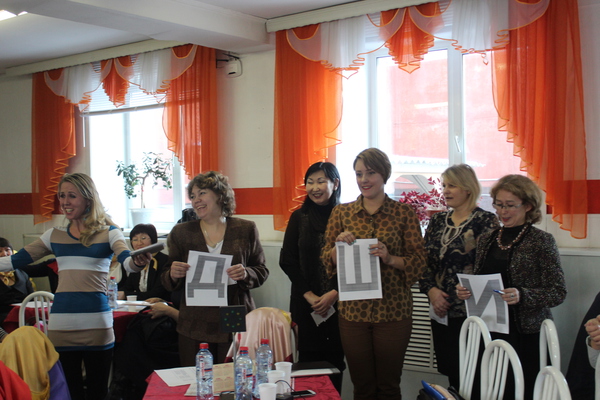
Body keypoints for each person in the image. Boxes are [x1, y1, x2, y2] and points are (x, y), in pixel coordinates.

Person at [0, 172, 152, 400]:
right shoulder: (53, 235)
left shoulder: (110, 233)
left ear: (88, 199)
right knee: (69, 393)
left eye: (72, 195)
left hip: (97, 325)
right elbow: (15, 260)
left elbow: (128, 262)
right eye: (62, 196)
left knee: (98, 392)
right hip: (62, 326)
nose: (65, 202)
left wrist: (138, 261)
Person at [321, 148, 426, 400]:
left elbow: (420, 262)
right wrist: (338, 247)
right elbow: (326, 258)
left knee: (389, 386)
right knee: (362, 386)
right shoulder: (342, 213)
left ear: (384, 174)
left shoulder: (403, 214)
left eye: (370, 173)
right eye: (359, 174)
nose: (364, 180)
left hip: (393, 311)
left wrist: (390, 259)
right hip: (353, 313)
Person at [456, 174, 566, 399]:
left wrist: (522, 295)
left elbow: (557, 291)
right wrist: (467, 291)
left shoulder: (542, 241)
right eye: (498, 204)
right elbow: (481, 279)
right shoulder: (487, 239)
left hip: (526, 334)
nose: (502, 212)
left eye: (509, 205)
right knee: (488, 390)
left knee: (522, 391)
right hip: (490, 328)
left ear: (528, 206)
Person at [162, 171, 269, 366]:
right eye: (192, 196)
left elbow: (261, 270)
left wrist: (246, 273)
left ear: (220, 195)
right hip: (194, 318)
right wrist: (173, 273)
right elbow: (166, 277)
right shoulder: (182, 232)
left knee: (233, 375)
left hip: (233, 313)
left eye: (202, 193)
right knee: (197, 375)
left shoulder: (245, 229)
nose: (196, 200)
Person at [418, 164, 499, 390]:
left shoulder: (485, 221)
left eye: (452, 185)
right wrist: (432, 292)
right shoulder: (437, 221)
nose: (445, 191)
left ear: (468, 188)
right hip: (440, 310)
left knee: (475, 376)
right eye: (444, 185)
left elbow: (488, 267)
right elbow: (422, 262)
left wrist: (454, 295)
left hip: (472, 312)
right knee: (452, 371)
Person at [279, 162, 345, 393]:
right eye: (310, 182)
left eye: (321, 181)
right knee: (307, 361)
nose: (315, 187)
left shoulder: (347, 217)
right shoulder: (299, 217)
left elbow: (352, 262)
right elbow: (287, 261)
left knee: (335, 361)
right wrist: (309, 295)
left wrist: (334, 293)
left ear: (335, 184)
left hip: (340, 304)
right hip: (305, 304)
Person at [119, 223, 170, 302]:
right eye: (135, 240)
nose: (139, 243)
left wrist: (125, 295)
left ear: (153, 239)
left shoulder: (165, 261)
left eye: (143, 238)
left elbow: (157, 293)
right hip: (141, 304)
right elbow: (128, 287)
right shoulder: (135, 262)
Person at [0, 237, 33, 325]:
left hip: (24, 317)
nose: (4, 254)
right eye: (0, 251)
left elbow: (32, 299)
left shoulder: (23, 275)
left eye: (7, 250)